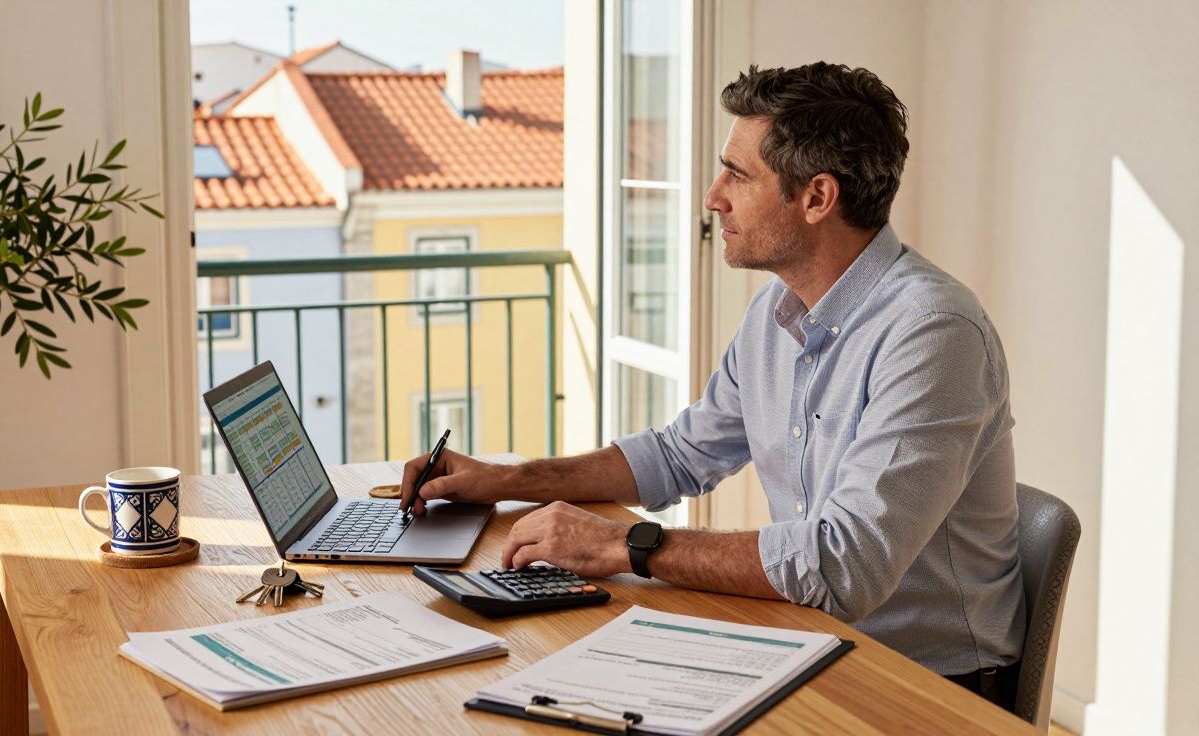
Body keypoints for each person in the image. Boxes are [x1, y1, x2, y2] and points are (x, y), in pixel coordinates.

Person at [399, 62, 1023, 710]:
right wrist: (503, 481)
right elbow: (677, 456)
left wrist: (619, 544)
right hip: (808, 638)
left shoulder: (933, 333)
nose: (713, 195)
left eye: (739, 174)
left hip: (923, 689)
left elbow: (841, 566)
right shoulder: (775, 313)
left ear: (817, 198)